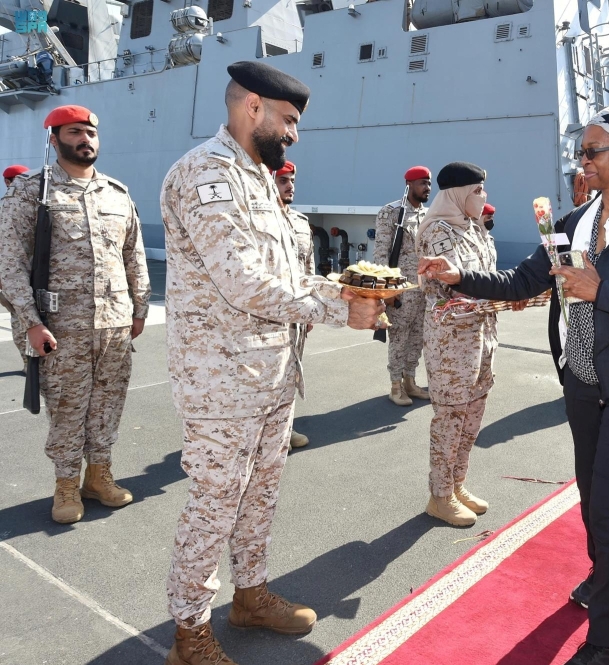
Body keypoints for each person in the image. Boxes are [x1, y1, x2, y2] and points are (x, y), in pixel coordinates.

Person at [419, 102, 609, 665]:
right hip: (582, 383)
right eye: (581, 151)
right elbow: (522, 280)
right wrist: (461, 277)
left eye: (593, 151)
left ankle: (607, 642)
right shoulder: (574, 222)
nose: (583, 161)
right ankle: (602, 576)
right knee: (591, 498)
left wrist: (604, 290)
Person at [159, 61, 383, 665]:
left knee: (260, 494)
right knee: (214, 503)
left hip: (273, 373)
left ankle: (250, 596)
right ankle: (189, 632)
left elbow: (288, 275)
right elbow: (243, 282)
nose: (294, 134)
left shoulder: (259, 178)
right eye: (288, 120)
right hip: (220, 380)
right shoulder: (206, 174)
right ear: (252, 106)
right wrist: (339, 311)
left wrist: (354, 291)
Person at [0, 105, 150, 525]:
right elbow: (9, 262)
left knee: (108, 402)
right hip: (59, 327)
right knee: (67, 407)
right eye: (74, 132)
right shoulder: (30, 191)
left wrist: (139, 307)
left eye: (90, 132)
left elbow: (133, 254)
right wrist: (31, 322)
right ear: (54, 140)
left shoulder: (117, 194)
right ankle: (66, 484)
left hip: (114, 324)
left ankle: (98, 476)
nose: (85, 139)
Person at [414, 162, 495, 529]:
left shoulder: (475, 229)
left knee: (472, 416)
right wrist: (503, 293)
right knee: (450, 418)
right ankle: (440, 495)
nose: (483, 196)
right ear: (459, 193)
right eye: (477, 190)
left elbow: (490, 276)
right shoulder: (439, 232)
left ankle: (457, 484)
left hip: (482, 336)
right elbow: (459, 284)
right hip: (452, 343)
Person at [372, 165, 432, 406]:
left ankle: (410, 381)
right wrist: (386, 289)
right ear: (409, 185)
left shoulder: (428, 215)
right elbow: (381, 252)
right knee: (399, 337)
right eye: (423, 183)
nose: (427, 187)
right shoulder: (391, 213)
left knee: (418, 337)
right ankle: (395, 386)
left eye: (429, 183)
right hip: (401, 290)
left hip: (424, 290)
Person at [273, 160, 312, 449]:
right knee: (271, 372)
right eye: (283, 180)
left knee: (292, 369)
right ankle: (270, 432)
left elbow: (308, 266)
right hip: (271, 311)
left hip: (298, 311)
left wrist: (311, 306)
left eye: (293, 181)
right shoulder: (260, 219)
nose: (290, 186)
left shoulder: (300, 221)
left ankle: (285, 427)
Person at [1, 164, 31, 365]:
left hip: (32, 273)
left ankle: (33, 366)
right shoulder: (4, 207)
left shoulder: (38, 204)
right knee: (21, 320)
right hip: (15, 276)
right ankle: (29, 365)